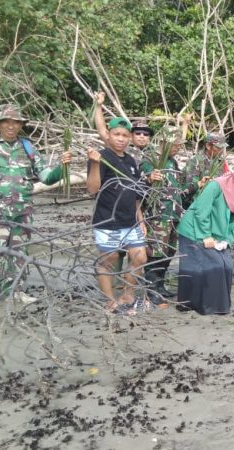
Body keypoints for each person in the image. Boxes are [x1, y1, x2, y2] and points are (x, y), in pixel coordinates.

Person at [0, 104, 72, 313]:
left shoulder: (28, 147)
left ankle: (17, 291)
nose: (11, 126)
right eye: (6, 122)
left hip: (22, 213)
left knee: (19, 253)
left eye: (16, 122)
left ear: (21, 125)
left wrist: (63, 167)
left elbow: (46, 177)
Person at [176, 156, 234, 314]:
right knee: (204, 265)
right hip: (194, 229)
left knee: (226, 265)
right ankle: (194, 304)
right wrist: (205, 236)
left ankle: (218, 305)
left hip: (217, 234)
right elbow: (201, 211)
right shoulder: (217, 185)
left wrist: (226, 240)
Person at [85, 117, 148, 315]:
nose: (121, 139)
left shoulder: (130, 161)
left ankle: (128, 294)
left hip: (130, 221)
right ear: (108, 136)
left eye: (124, 135)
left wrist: (140, 219)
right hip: (107, 220)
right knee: (108, 259)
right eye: (116, 134)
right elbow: (92, 189)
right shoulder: (101, 156)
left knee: (140, 257)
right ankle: (110, 300)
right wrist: (95, 164)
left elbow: (136, 194)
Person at [139, 127, 187, 303]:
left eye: (179, 145)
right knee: (155, 252)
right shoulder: (150, 157)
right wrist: (150, 177)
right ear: (165, 143)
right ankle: (151, 289)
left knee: (169, 252)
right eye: (175, 145)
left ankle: (160, 285)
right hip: (158, 214)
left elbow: (177, 186)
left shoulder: (172, 161)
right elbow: (143, 178)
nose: (178, 148)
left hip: (173, 213)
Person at [93, 91, 155, 164]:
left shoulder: (154, 154)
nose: (142, 136)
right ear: (131, 136)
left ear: (149, 138)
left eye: (146, 134)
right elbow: (102, 131)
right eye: (138, 133)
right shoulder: (122, 148)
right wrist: (98, 106)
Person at [183, 132, 229, 205]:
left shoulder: (221, 161)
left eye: (222, 148)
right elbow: (191, 187)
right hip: (197, 203)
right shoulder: (195, 161)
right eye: (218, 148)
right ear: (208, 146)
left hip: (215, 202)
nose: (221, 151)